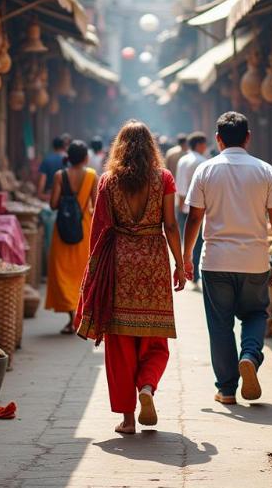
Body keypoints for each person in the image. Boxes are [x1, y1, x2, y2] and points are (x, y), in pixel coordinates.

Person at [75, 120, 190, 435]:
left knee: (120, 344)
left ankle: (127, 419)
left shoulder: (109, 181)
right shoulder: (163, 179)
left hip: (120, 264)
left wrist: (93, 271)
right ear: (151, 147)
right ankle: (147, 388)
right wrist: (180, 264)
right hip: (153, 262)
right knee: (155, 339)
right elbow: (171, 225)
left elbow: (99, 229)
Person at [183, 111, 272, 405]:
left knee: (220, 324)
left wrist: (185, 256)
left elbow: (193, 218)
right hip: (254, 260)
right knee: (255, 314)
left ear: (217, 139)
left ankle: (227, 390)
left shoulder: (205, 171)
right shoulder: (264, 170)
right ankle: (251, 357)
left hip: (215, 261)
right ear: (247, 137)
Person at [45, 140, 97, 334]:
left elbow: (52, 204)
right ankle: (81, 317)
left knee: (63, 272)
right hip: (84, 230)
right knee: (83, 272)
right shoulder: (91, 175)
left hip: (63, 230)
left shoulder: (60, 175)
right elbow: (97, 204)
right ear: (85, 158)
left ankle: (72, 317)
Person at [175, 132, 208, 287]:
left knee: (186, 239)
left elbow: (180, 184)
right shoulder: (202, 161)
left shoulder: (183, 159)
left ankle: (188, 271)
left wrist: (181, 203)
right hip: (199, 207)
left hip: (183, 205)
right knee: (198, 242)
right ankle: (194, 275)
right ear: (199, 145)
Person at [37, 137, 67, 202]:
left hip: (50, 195)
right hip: (65, 196)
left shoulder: (47, 160)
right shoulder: (68, 161)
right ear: (63, 147)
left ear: (53, 147)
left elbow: (42, 179)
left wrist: (40, 194)